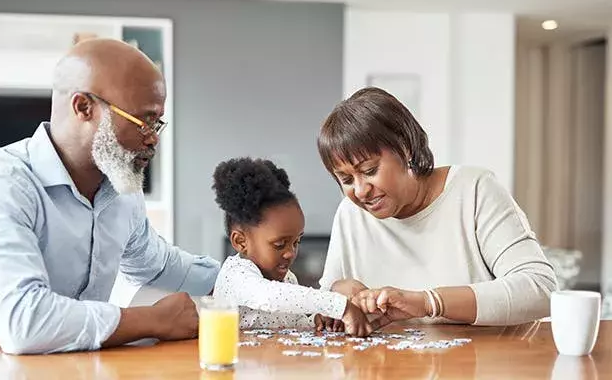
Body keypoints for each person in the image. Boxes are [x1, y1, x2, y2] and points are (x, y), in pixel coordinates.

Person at [0, 39, 220, 354]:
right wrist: (153, 320)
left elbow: (157, 264)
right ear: (83, 107)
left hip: (55, 363)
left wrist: (247, 276)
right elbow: (25, 323)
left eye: (157, 123)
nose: (153, 138)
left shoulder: (121, 189)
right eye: (144, 122)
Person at [316, 87, 557, 327]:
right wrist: (339, 292)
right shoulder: (350, 214)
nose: (360, 191)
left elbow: (540, 289)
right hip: (389, 365)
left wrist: (429, 303)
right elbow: (323, 301)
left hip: (485, 362)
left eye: (370, 171)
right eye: (346, 180)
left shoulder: (473, 190)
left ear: (405, 147)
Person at [211, 157, 373, 336]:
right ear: (241, 242)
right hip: (237, 362)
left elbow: (293, 324)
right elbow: (268, 297)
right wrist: (339, 306)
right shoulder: (236, 274)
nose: (291, 253)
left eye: (297, 242)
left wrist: (317, 320)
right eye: (279, 245)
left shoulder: (288, 279)